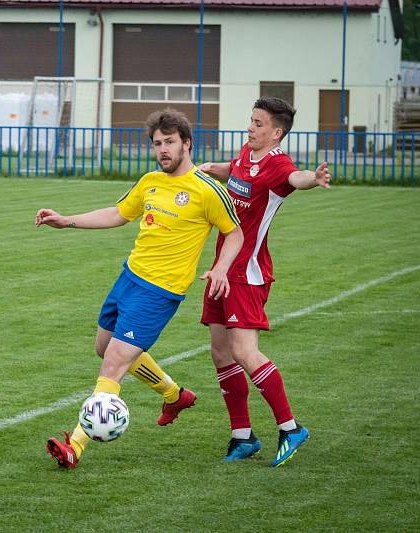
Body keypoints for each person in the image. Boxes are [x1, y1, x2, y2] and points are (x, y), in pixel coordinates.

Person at [36, 109, 244, 469]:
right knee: (104, 347)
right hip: (129, 278)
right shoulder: (150, 181)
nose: (163, 150)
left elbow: (235, 232)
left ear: (186, 143)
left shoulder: (207, 190)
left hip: (160, 292)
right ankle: (174, 396)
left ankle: (75, 445)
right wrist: (67, 220)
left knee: (114, 362)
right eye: (157, 144)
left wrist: (221, 268)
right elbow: (119, 213)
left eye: (170, 142)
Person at [198, 96, 331, 467]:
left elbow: (295, 178)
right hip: (222, 267)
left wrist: (312, 178)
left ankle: (290, 428)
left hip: (247, 273)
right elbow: (236, 170)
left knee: (244, 351)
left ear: (277, 133)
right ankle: (243, 436)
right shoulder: (246, 154)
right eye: (251, 121)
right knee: (221, 351)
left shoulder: (277, 165)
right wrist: (211, 168)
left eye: (258, 124)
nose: (250, 128)